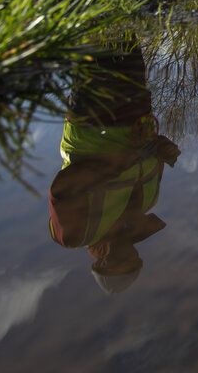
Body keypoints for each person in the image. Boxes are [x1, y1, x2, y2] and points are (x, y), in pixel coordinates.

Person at [47, 43, 179, 294]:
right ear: (137, 257)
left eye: (112, 264)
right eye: (129, 262)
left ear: (100, 262)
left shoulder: (76, 234)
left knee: (94, 33)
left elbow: (61, 189)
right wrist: (164, 149)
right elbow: (151, 157)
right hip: (136, 104)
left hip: (93, 115)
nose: (120, 257)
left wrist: (121, 161)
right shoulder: (147, 205)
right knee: (126, 30)